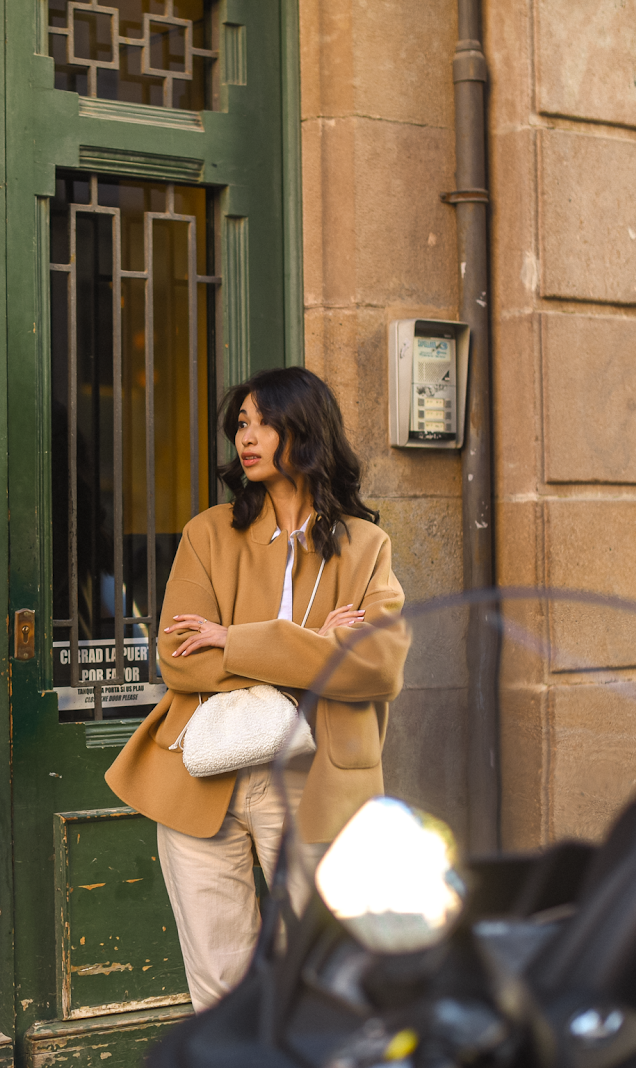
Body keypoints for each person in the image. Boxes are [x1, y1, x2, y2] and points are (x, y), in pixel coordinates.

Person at [104, 366, 408, 1012]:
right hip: (201, 779)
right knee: (220, 986)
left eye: (265, 422)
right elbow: (179, 659)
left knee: (329, 972)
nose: (248, 437)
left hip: (314, 776)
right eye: (241, 424)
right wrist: (315, 645)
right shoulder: (208, 534)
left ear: (306, 430)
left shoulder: (365, 548)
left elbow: (378, 666)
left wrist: (236, 639)